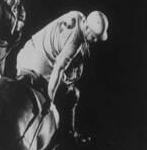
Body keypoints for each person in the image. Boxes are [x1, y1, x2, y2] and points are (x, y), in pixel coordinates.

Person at [16, 10, 109, 141]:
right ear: (86, 27)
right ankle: (69, 134)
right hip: (39, 66)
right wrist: (50, 99)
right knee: (72, 95)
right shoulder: (74, 44)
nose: (94, 41)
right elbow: (58, 69)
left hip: (26, 52)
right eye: (93, 37)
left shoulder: (77, 14)